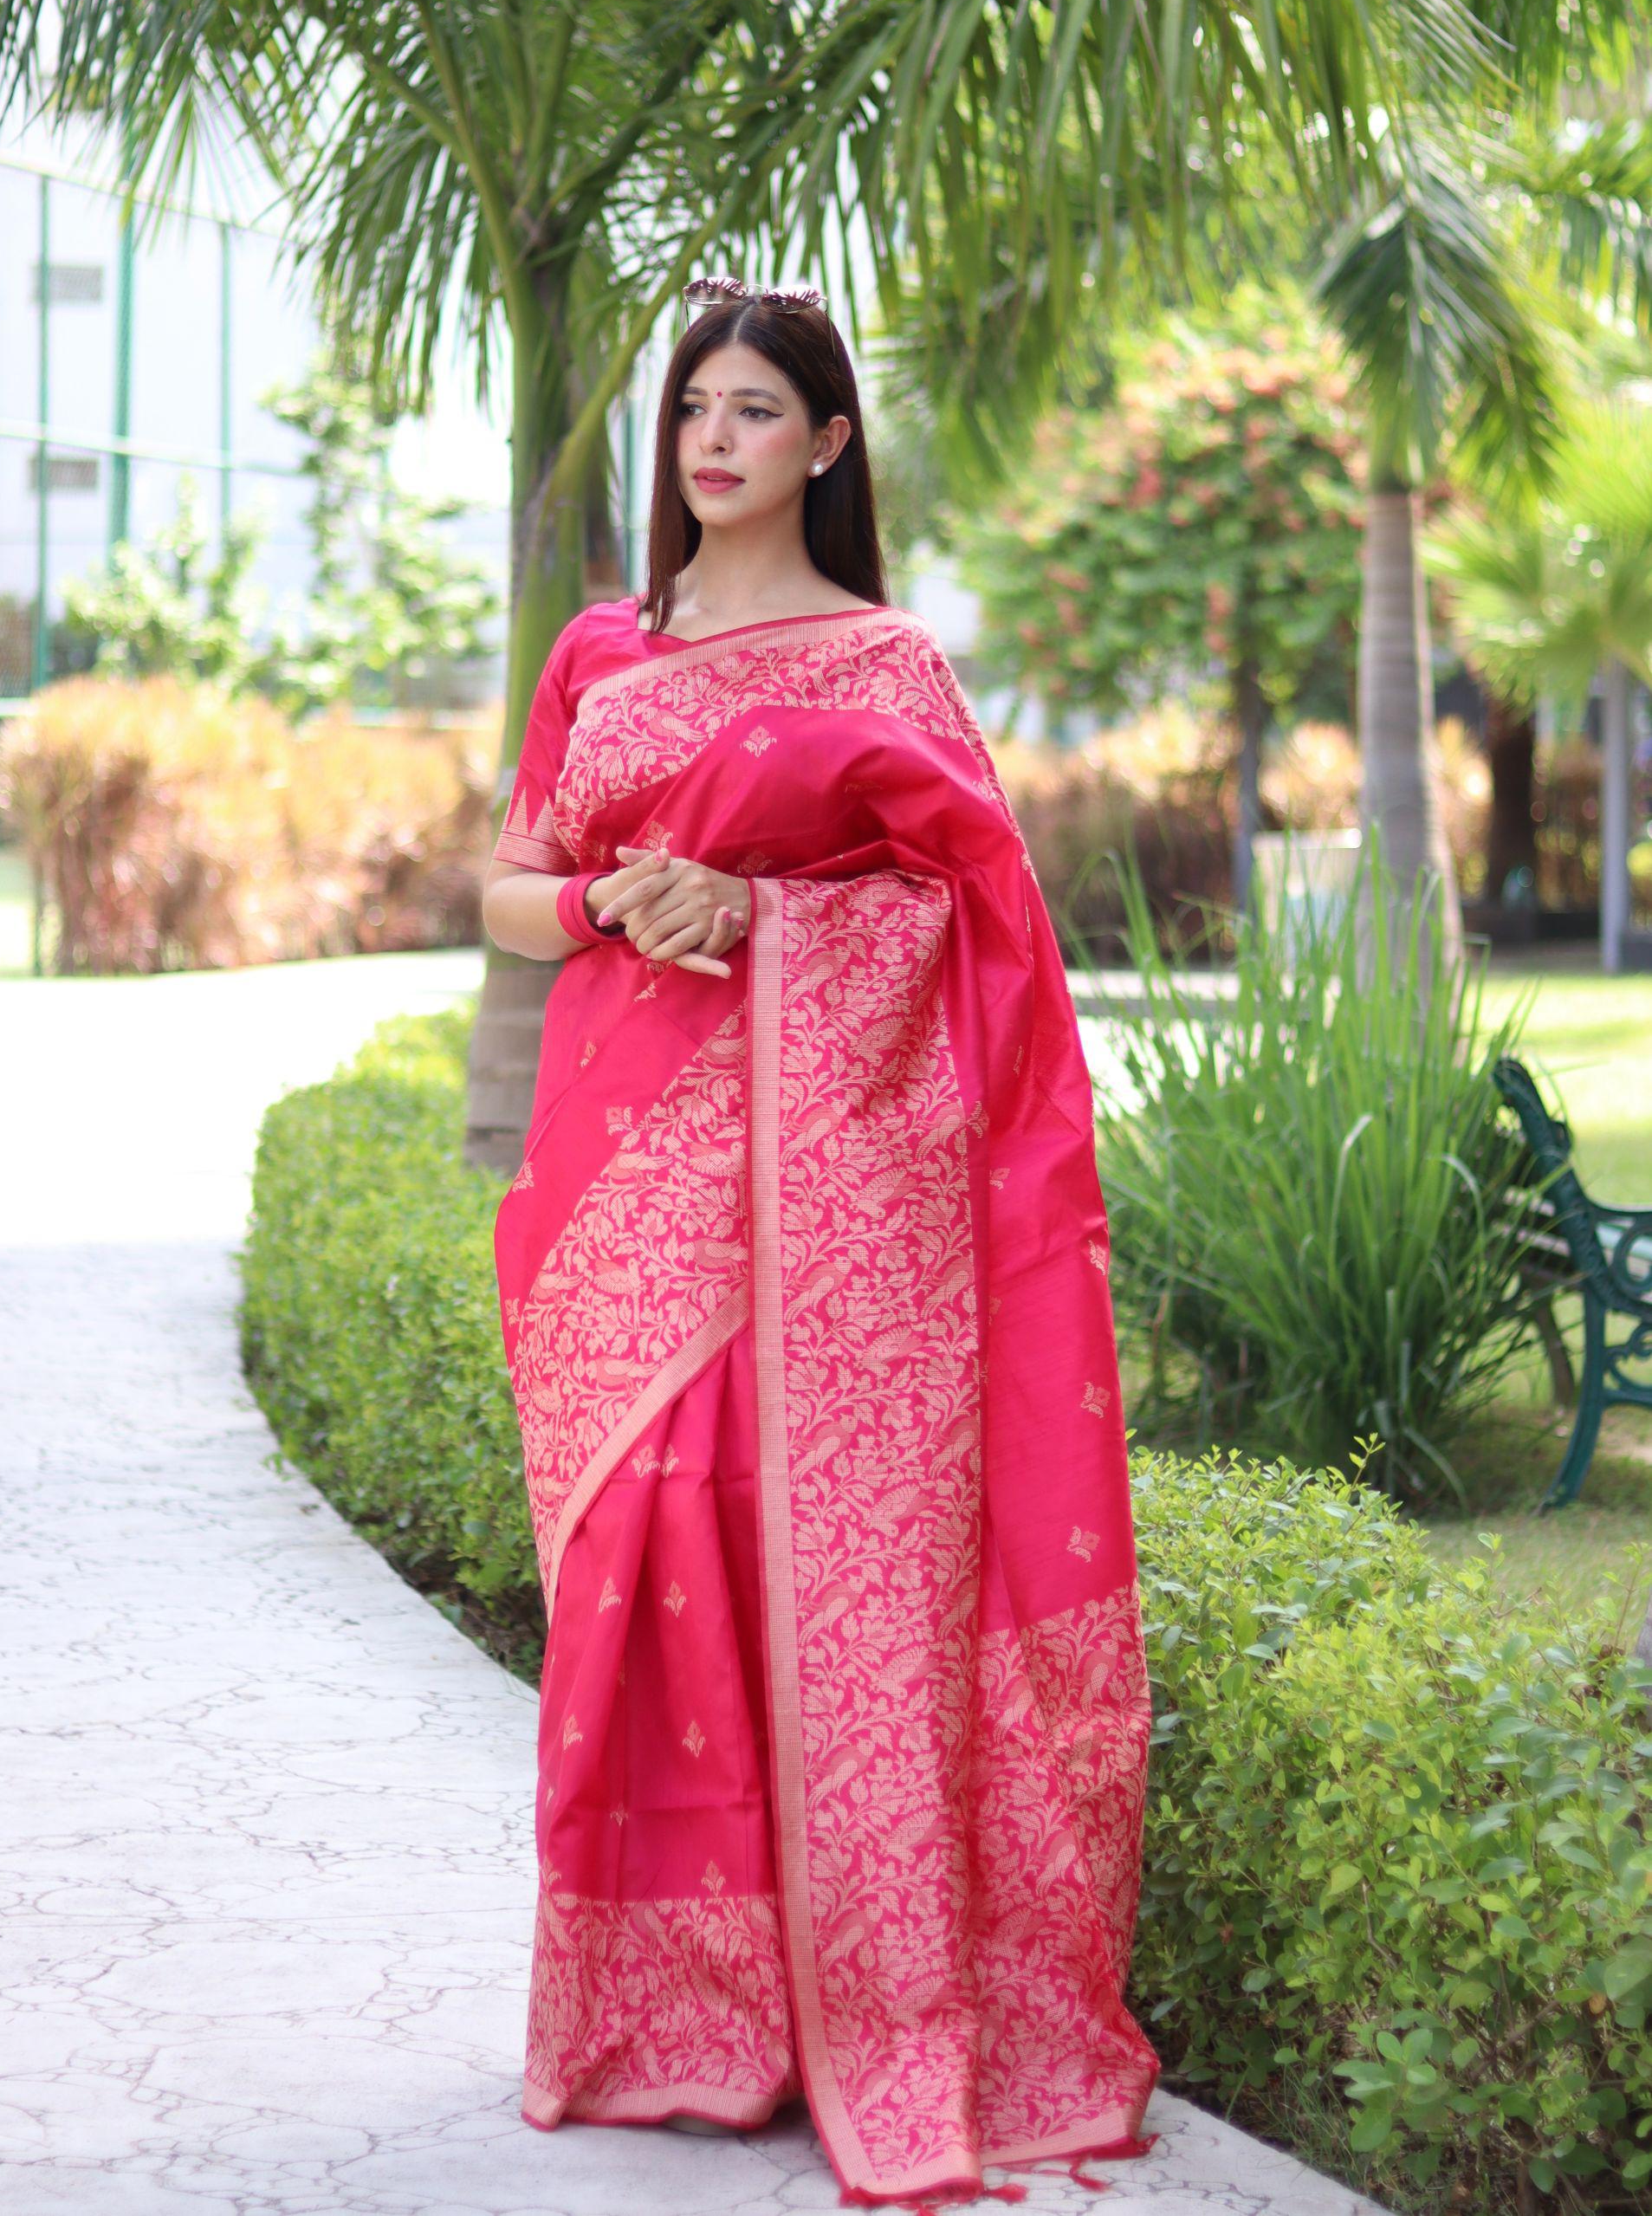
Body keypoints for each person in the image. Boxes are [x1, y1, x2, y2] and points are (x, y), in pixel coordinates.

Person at [480, 277, 1160, 2205]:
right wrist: (626, 898)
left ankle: (847, 2005)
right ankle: (664, 2011)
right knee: (643, 1551)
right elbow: (512, 895)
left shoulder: (887, 668)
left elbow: (979, 932)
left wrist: (771, 919)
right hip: (622, 1183)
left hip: (834, 1200)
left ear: (829, 443)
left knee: (803, 1552)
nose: (713, 440)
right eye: (694, 407)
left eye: (757, 409)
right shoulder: (603, 654)